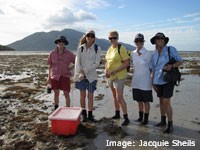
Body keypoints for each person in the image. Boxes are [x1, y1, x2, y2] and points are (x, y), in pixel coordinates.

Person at [150, 32, 183, 133]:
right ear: (155, 41)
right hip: (157, 81)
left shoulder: (170, 49)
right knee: (160, 101)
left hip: (168, 80)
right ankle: (163, 121)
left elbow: (180, 61)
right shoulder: (154, 54)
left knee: (166, 102)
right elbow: (153, 69)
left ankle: (170, 124)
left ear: (164, 40)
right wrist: (152, 82)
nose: (159, 40)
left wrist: (172, 66)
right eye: (157, 38)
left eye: (161, 38)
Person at [74, 30, 101, 122]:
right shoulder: (80, 48)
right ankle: (84, 115)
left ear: (94, 38)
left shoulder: (97, 48)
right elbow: (77, 62)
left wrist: (85, 71)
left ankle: (90, 115)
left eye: (92, 36)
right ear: (86, 37)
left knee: (90, 96)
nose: (90, 37)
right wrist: (80, 73)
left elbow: (96, 63)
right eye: (88, 35)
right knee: (82, 95)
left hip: (91, 76)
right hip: (81, 75)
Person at [105, 31, 130, 126]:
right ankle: (117, 114)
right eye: (110, 38)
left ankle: (126, 117)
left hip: (119, 76)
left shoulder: (121, 48)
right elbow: (107, 62)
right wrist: (106, 71)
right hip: (111, 76)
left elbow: (126, 63)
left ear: (117, 38)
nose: (112, 40)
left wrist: (115, 70)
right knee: (114, 96)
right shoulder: (110, 49)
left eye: (114, 38)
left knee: (119, 97)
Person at [47, 36, 75, 110]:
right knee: (56, 93)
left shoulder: (70, 54)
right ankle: (56, 108)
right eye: (59, 41)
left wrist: (72, 68)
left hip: (65, 76)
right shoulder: (52, 53)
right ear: (57, 43)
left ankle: (68, 109)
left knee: (66, 93)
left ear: (65, 43)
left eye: (62, 42)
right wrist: (48, 78)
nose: (61, 43)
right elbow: (50, 66)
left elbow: (77, 62)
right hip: (55, 76)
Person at [131, 33, 153, 125]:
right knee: (139, 100)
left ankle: (146, 119)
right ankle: (140, 117)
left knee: (146, 101)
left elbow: (152, 68)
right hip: (136, 81)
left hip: (146, 82)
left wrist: (153, 80)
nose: (138, 42)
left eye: (140, 41)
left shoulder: (148, 54)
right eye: (137, 41)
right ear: (135, 42)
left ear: (143, 42)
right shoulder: (132, 53)